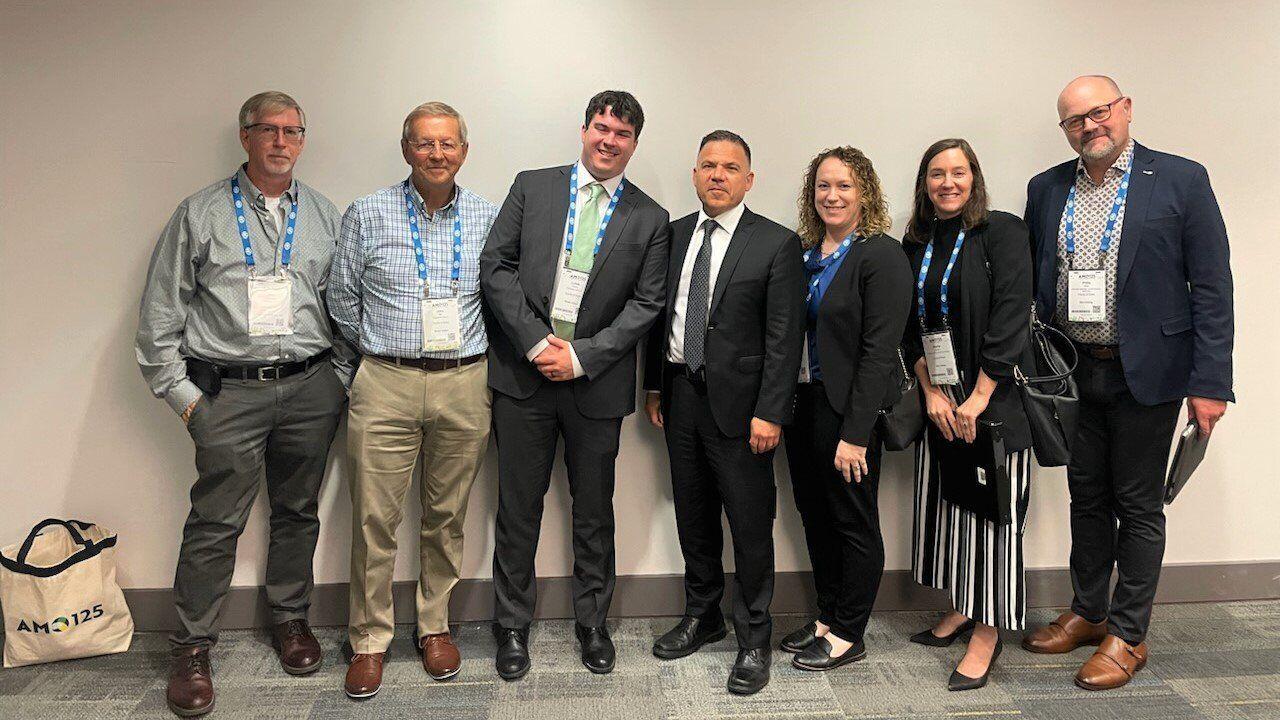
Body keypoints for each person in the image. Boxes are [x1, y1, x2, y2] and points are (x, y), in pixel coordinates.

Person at [135, 91, 347, 717]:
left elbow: (345, 307)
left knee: (298, 509)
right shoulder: (199, 214)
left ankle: (289, 620)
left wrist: (336, 378)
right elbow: (158, 321)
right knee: (215, 521)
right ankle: (193, 646)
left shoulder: (325, 215)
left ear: (304, 139)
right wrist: (187, 402)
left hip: (311, 388)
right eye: (268, 130)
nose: (281, 142)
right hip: (226, 393)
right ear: (244, 136)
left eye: (293, 131)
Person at [1021, 75, 1233, 691]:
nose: (1090, 126)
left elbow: (1213, 289)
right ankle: (1089, 613)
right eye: (1074, 121)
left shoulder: (1181, 179)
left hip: (1149, 372)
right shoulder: (1047, 188)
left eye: (1099, 112)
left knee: (1137, 504)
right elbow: (1038, 278)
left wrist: (1210, 382)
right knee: (1085, 497)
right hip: (1071, 372)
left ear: (1126, 109)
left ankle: (1128, 633)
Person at [479, 90, 670, 680]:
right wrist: (538, 345)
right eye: (601, 128)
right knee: (518, 509)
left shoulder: (650, 218)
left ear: (634, 144)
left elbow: (648, 303)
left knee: (594, 511)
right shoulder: (531, 186)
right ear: (584, 130)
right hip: (524, 378)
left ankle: (593, 622)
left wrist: (582, 356)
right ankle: (511, 625)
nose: (608, 141)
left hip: (597, 385)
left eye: (622, 134)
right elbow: (496, 266)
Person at [330, 102, 498, 698]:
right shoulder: (367, 213)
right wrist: (368, 370)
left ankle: (433, 626)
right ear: (407, 150)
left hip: (464, 382)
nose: (436, 154)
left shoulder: (488, 216)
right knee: (375, 518)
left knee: (446, 516)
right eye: (425, 144)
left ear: (464, 151)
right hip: (386, 381)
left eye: (448, 144)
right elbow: (341, 300)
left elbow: (501, 299)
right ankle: (370, 640)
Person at [643, 130, 804, 695]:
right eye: (707, 165)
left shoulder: (776, 243)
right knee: (693, 515)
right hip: (681, 398)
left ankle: (754, 636)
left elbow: (785, 338)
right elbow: (660, 317)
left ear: (748, 179)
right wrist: (654, 388)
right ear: (694, 174)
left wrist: (771, 412)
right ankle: (703, 614)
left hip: (744, 412)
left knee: (750, 525)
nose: (717, 175)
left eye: (729, 167)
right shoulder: (676, 234)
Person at [902, 139, 1035, 691]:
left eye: (958, 172)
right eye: (937, 173)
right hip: (940, 400)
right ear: (925, 182)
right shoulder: (915, 241)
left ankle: (988, 630)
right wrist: (931, 393)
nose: (948, 183)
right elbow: (907, 323)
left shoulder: (1000, 231)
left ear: (974, 177)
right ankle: (962, 605)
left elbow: (1011, 315)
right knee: (951, 509)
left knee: (993, 517)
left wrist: (978, 397)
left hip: (993, 399)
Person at [778, 146, 912, 673]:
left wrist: (856, 433)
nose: (832, 196)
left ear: (865, 193)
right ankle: (827, 617)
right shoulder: (807, 253)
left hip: (849, 414)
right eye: (823, 187)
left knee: (853, 522)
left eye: (844, 186)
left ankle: (849, 633)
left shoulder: (880, 254)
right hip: (803, 405)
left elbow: (880, 351)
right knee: (815, 516)